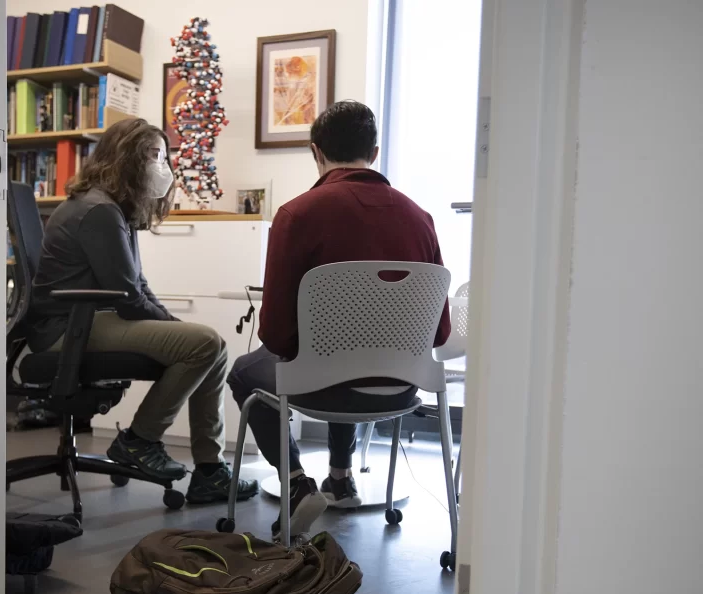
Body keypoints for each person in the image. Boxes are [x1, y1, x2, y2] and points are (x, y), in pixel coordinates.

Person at [227, 101, 451, 538]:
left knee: (245, 372)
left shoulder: (298, 214)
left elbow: (276, 335)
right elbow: (439, 332)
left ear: (316, 152)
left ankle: (295, 484)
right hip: (399, 390)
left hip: (323, 387)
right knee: (336, 356)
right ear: (375, 152)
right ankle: (341, 477)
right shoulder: (421, 219)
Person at [28, 118, 258, 504]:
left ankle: (209, 470)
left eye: (164, 157)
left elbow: (137, 284)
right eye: (153, 156)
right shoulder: (98, 211)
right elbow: (128, 298)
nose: (162, 167)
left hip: (90, 320)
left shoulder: (113, 207)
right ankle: (139, 440)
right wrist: (172, 326)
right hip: (67, 329)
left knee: (211, 346)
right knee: (204, 344)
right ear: (126, 159)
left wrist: (171, 323)